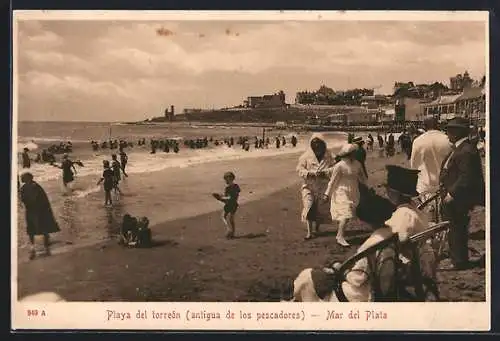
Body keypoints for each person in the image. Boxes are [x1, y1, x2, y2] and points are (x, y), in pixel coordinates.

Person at [439, 117, 485, 270]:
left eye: (450, 130)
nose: (447, 134)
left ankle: (459, 261)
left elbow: (466, 177)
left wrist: (452, 194)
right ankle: (457, 258)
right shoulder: (462, 148)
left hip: (458, 198)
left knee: (457, 228)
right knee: (454, 228)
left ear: (458, 132)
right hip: (454, 196)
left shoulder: (465, 150)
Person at [323, 143, 367, 246]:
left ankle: (340, 233)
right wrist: (327, 194)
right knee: (346, 213)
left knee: (347, 214)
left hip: (353, 191)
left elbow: (362, 178)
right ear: (348, 154)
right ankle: (340, 236)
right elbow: (333, 181)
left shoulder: (357, 164)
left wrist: (367, 187)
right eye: (353, 153)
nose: (354, 155)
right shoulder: (339, 166)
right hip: (341, 191)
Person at [296, 133, 336, 240]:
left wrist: (325, 172)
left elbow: (335, 169)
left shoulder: (330, 156)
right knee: (308, 206)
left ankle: (316, 228)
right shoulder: (305, 156)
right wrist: (310, 173)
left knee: (320, 209)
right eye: (315, 146)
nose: (317, 148)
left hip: (323, 186)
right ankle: (309, 232)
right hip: (308, 186)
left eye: (319, 146)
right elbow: (299, 169)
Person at [410, 117, 452, 203]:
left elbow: (414, 165)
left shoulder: (418, 141)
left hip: (426, 186)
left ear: (424, 126)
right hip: (446, 185)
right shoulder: (448, 139)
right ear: (438, 125)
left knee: (428, 214)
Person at [19, 172, 60, 260]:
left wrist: (26, 203)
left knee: (32, 230)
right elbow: (43, 199)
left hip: (33, 211)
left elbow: (24, 199)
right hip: (38, 211)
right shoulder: (35, 186)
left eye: (23, 178)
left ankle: (35, 247)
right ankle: (44, 247)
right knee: (41, 230)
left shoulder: (27, 187)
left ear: (27, 179)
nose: (21, 179)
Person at [212, 172, 241, 239]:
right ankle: (232, 232)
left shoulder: (228, 188)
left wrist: (219, 198)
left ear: (230, 179)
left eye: (226, 179)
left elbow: (228, 198)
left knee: (224, 217)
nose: (225, 181)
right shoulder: (236, 186)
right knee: (230, 219)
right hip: (234, 204)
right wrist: (221, 197)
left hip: (229, 204)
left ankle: (229, 230)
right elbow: (233, 196)